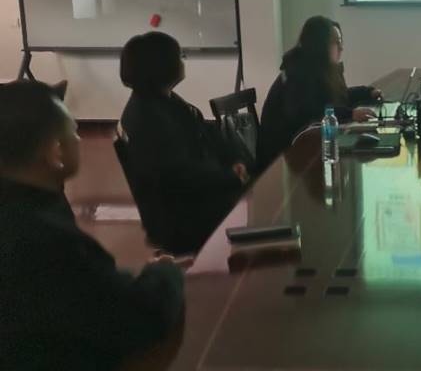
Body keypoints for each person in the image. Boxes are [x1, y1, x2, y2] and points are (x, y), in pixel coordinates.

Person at [0, 81, 184, 371]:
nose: (79, 139)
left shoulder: (26, 205)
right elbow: (140, 316)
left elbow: (84, 291)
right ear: (55, 152)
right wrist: (164, 272)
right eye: (73, 131)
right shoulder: (44, 239)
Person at [119, 32, 249, 255]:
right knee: (262, 204)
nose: (182, 61)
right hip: (184, 214)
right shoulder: (147, 118)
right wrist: (231, 177)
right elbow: (180, 176)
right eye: (179, 56)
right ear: (161, 65)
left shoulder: (163, 100)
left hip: (195, 196)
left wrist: (234, 160)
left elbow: (206, 130)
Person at [257, 16, 379, 170]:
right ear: (320, 45)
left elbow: (337, 98)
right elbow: (309, 112)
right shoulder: (298, 72)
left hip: (305, 147)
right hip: (283, 158)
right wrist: (350, 114)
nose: (341, 48)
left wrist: (366, 92)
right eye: (336, 42)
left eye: (341, 41)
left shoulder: (320, 67)